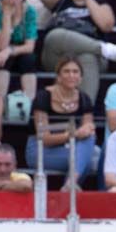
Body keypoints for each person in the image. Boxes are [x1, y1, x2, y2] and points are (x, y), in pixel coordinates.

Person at [36, 0, 116, 105]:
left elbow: (106, 26)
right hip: (58, 55)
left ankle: (85, 112)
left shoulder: (100, 4)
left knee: (87, 57)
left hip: (89, 58)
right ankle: (100, 48)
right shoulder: (61, 0)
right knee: (55, 35)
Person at [27, 56, 97, 188]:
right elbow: (45, 138)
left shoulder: (84, 98)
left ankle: (69, 185)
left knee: (90, 140)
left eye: (75, 72)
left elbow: (88, 130)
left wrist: (80, 134)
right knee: (90, 161)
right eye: (67, 71)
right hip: (41, 150)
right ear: (58, 76)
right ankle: (70, 190)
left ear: (81, 77)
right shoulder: (43, 97)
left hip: (72, 148)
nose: (71, 75)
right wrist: (73, 135)